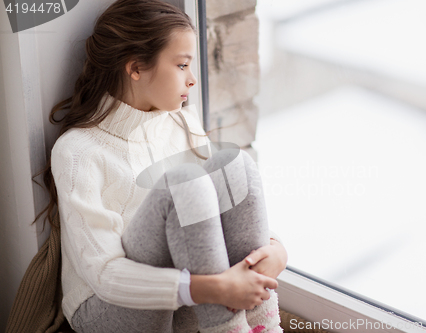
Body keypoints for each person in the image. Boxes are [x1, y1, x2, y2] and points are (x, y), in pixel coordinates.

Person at [35, 0, 288, 332]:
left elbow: (224, 209)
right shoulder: (79, 151)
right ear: (136, 68)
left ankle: (263, 326)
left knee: (235, 164)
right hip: (108, 308)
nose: (193, 80)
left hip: (183, 296)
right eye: (182, 65)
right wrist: (214, 287)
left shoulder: (182, 123)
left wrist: (275, 250)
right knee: (185, 183)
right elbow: (106, 275)